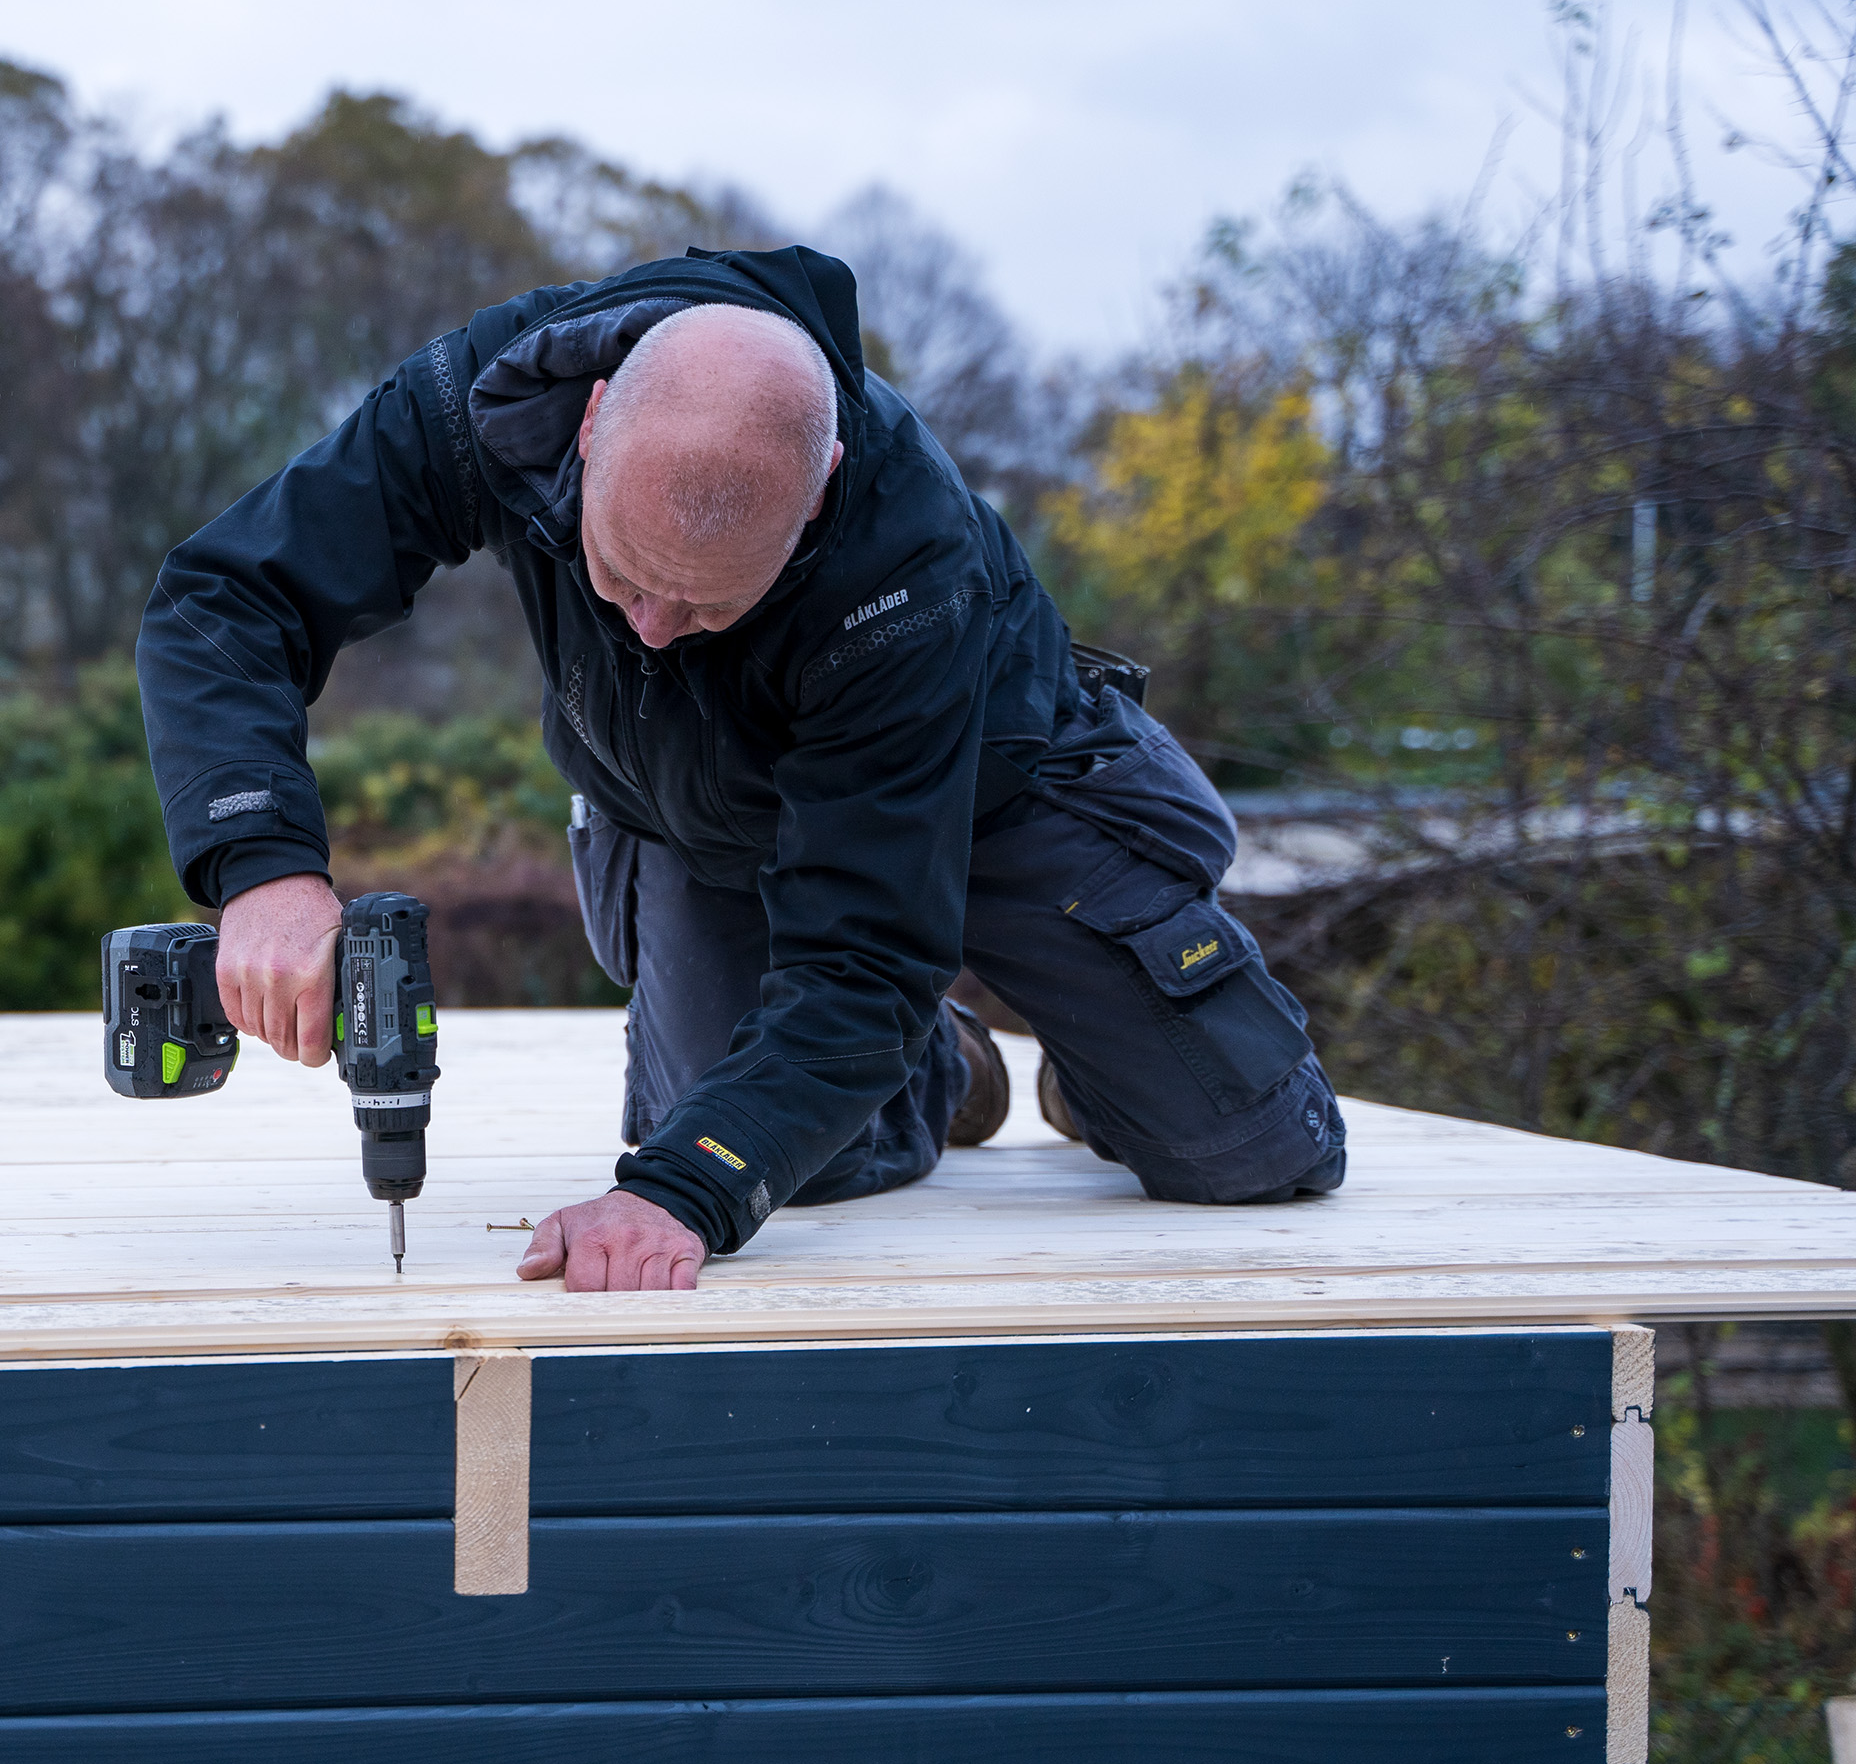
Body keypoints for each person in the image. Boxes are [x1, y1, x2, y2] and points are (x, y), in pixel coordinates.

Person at [137, 245, 1345, 1292]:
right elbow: (230, 596)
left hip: (991, 789)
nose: (652, 627)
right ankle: (934, 1063)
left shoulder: (904, 556)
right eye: (621, 574)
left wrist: (679, 1198)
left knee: (1251, 1153)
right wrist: (263, 866)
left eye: (705, 600)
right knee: (786, 1166)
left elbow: (866, 950)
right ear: (592, 423)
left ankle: (1093, 1053)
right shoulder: (485, 401)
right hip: (703, 809)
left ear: (815, 493)